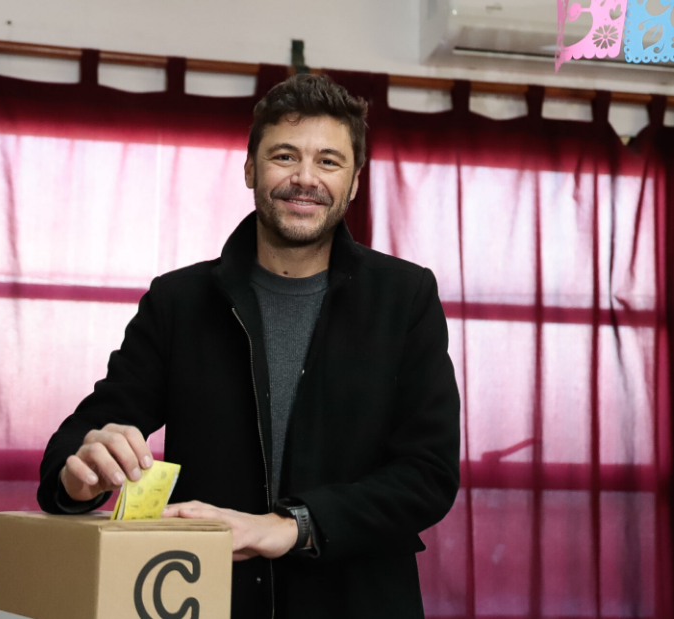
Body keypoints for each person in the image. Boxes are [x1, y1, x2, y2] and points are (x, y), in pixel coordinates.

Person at [37, 73, 460, 619]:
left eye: (329, 161)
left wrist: (291, 526)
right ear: (249, 169)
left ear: (355, 181)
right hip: (208, 599)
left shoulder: (405, 297)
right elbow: (85, 435)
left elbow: (428, 475)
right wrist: (79, 477)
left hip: (360, 601)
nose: (305, 177)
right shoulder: (178, 301)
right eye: (285, 156)